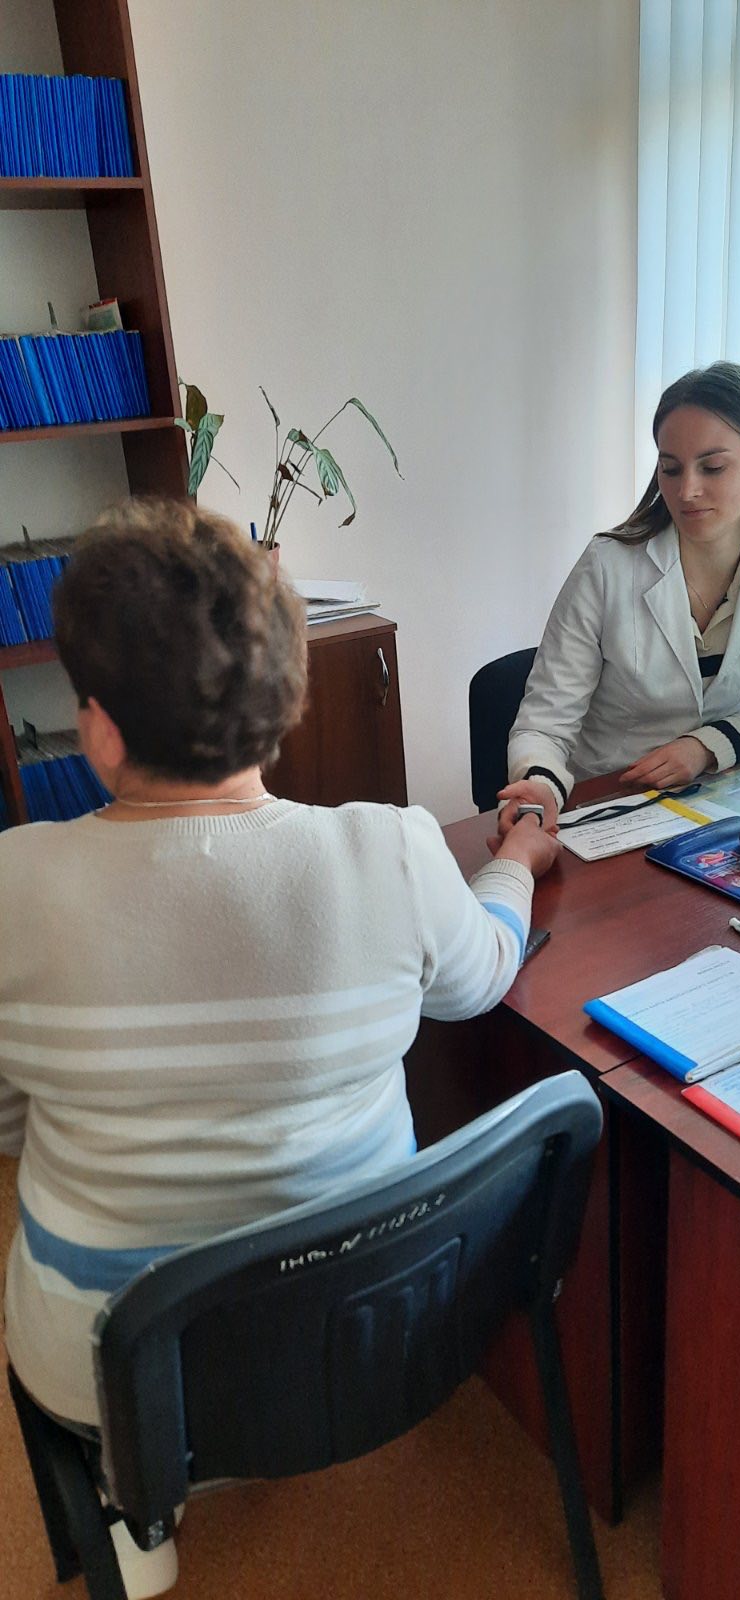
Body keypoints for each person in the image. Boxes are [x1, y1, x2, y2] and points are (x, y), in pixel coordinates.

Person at [0, 500, 559, 1597]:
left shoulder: (14, 885)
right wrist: (516, 865)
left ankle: (134, 1499)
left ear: (99, 731)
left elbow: (10, 1117)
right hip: (373, 1329)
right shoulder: (390, 850)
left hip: (116, 1368)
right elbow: (486, 974)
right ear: (286, 701)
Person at [499, 361, 740, 833]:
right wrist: (540, 785)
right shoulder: (608, 565)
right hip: (609, 799)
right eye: (670, 468)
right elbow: (544, 723)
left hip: (724, 797)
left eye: (712, 467)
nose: (687, 491)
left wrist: (705, 747)